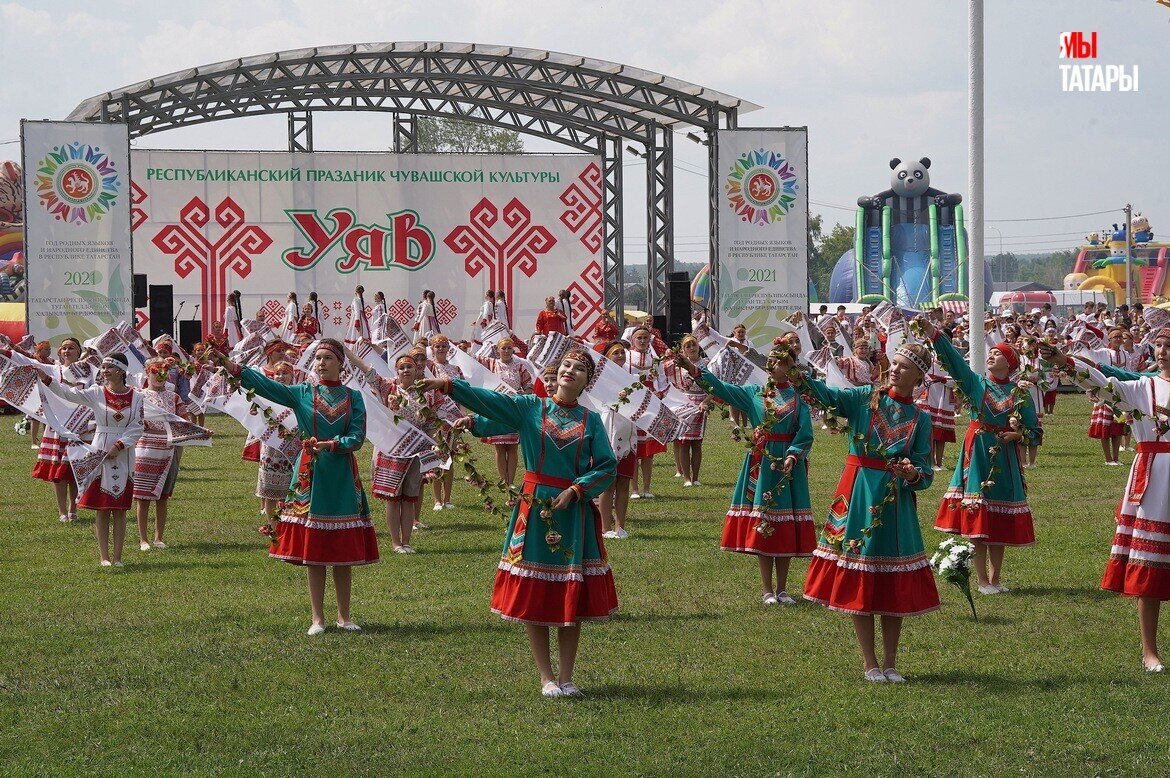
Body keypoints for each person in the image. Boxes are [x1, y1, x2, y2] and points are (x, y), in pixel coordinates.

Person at [418, 348, 617, 698]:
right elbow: (491, 401)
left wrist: (576, 490)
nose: (570, 371)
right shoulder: (531, 407)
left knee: (571, 590)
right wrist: (448, 385)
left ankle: (567, 677)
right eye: (566, 365)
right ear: (555, 374)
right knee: (536, 589)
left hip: (572, 512)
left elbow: (607, 466)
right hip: (535, 508)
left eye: (579, 369)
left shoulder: (592, 420)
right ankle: (546, 677)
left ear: (588, 381)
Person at [798, 342, 939, 682]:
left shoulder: (921, 419)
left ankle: (890, 662)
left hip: (894, 502)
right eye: (894, 363)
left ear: (919, 376)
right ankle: (869, 662)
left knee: (891, 579)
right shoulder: (864, 398)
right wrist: (798, 372)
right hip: (858, 492)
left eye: (904, 367)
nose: (895, 370)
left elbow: (925, 469)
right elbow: (826, 396)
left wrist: (912, 474)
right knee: (860, 570)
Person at [216, 338, 377, 634]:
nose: (321, 363)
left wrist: (331, 444)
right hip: (310, 473)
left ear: (341, 363)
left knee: (341, 550)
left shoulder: (353, 397)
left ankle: (344, 616)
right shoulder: (302, 393)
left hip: (340, 472)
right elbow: (268, 388)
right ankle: (318, 619)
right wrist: (233, 367)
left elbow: (357, 436)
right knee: (313, 549)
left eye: (328, 358)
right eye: (317, 358)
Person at [1045, 331, 1170, 671]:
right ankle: (1150, 651)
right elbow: (1102, 385)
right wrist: (1064, 362)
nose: (1162, 351)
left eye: (1169, 346)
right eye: (1159, 345)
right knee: (1150, 566)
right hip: (1156, 480)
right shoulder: (1143, 388)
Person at [683, 337, 814, 606]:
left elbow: (805, 433)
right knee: (764, 521)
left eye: (780, 362)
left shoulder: (799, 399)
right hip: (762, 463)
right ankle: (767, 589)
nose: (773, 365)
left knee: (784, 523)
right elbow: (721, 388)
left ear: (791, 368)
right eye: (771, 360)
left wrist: (793, 454)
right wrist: (694, 370)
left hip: (787, 465)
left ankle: (783, 589)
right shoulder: (754, 392)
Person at [918, 317, 1039, 595]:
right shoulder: (976, 384)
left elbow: (1034, 430)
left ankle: (996, 579)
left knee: (999, 520)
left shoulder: (1020, 393)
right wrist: (934, 335)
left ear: (1010, 363)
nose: (992, 355)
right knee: (979, 517)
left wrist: (1017, 436)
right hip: (978, 454)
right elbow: (954, 362)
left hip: (1005, 459)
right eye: (991, 352)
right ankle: (982, 581)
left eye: (998, 353)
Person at [42, 352, 145, 567]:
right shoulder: (97, 393)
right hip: (99, 450)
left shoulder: (137, 397)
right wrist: (47, 379)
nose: (105, 370)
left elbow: (137, 426)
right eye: (104, 367)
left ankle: (118, 557)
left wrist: (120, 445)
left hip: (124, 454)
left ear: (121, 371)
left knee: (119, 508)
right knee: (102, 507)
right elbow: (68, 394)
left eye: (109, 367)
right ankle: (104, 557)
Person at [132, 357, 189, 551]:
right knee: (142, 496)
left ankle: (158, 537)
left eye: (163, 373)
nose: (158, 377)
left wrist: (201, 433)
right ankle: (143, 539)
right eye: (155, 372)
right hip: (145, 447)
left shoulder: (174, 398)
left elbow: (184, 424)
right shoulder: (138, 396)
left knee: (163, 497)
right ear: (147, 373)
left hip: (168, 448)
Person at [33, 337, 92, 522]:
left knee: (73, 470)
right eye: (64, 348)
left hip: (79, 426)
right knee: (58, 473)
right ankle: (62, 512)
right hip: (57, 426)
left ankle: (73, 509)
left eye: (72, 348)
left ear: (78, 352)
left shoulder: (87, 372)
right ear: (59, 352)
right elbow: (26, 361)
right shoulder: (53, 369)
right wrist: (5, 352)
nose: (67, 351)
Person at [477, 338, 535, 489]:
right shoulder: (491, 364)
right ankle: (503, 480)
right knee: (500, 446)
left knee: (512, 447)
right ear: (498, 350)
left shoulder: (520, 366)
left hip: (514, 410)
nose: (507, 351)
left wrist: (520, 398)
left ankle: (511, 481)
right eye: (504, 348)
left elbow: (529, 386)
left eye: (510, 348)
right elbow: (473, 362)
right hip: (497, 409)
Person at [595, 342, 636, 539]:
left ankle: (620, 525)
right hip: (608, 434)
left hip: (628, 434)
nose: (620, 355)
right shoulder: (599, 379)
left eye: (622, 352)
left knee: (624, 482)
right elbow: (597, 402)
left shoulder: (633, 379)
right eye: (615, 353)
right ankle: (604, 527)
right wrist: (615, 397)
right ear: (608, 357)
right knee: (608, 482)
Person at [662, 335, 709, 487]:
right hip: (684, 403)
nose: (691, 348)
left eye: (693, 344)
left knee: (697, 443)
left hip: (700, 403)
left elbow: (714, 386)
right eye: (687, 346)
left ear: (699, 346)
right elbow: (663, 376)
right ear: (683, 349)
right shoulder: (677, 366)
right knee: (683, 442)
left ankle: (696, 478)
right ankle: (686, 478)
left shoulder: (706, 364)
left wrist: (705, 402)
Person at [254, 361, 298, 521]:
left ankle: (287, 524)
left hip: (292, 446)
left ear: (292, 376)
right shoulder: (268, 393)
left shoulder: (296, 393)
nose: (281, 377)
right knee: (269, 490)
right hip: (271, 446)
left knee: (290, 489)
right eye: (278, 373)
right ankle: (272, 526)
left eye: (285, 373)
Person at [625, 325, 665, 499]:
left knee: (648, 451)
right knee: (633, 448)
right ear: (632, 339)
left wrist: (658, 396)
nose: (642, 341)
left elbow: (662, 381)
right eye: (639, 338)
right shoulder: (625, 357)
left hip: (649, 404)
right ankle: (634, 489)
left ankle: (647, 488)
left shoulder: (655, 360)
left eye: (645, 338)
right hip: (632, 403)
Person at [427, 335, 465, 511]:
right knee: (437, 458)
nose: (441, 349)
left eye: (443, 346)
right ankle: (437, 499)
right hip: (435, 419)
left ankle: (447, 498)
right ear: (432, 348)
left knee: (449, 458)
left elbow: (463, 390)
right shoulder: (429, 368)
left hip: (452, 418)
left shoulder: (456, 369)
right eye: (438, 346)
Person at [916, 352, 954, 470]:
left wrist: (943, 380)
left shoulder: (950, 367)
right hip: (930, 400)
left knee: (942, 433)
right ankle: (931, 462)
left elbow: (956, 380)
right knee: (930, 432)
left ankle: (939, 462)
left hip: (944, 401)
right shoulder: (929, 366)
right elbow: (923, 379)